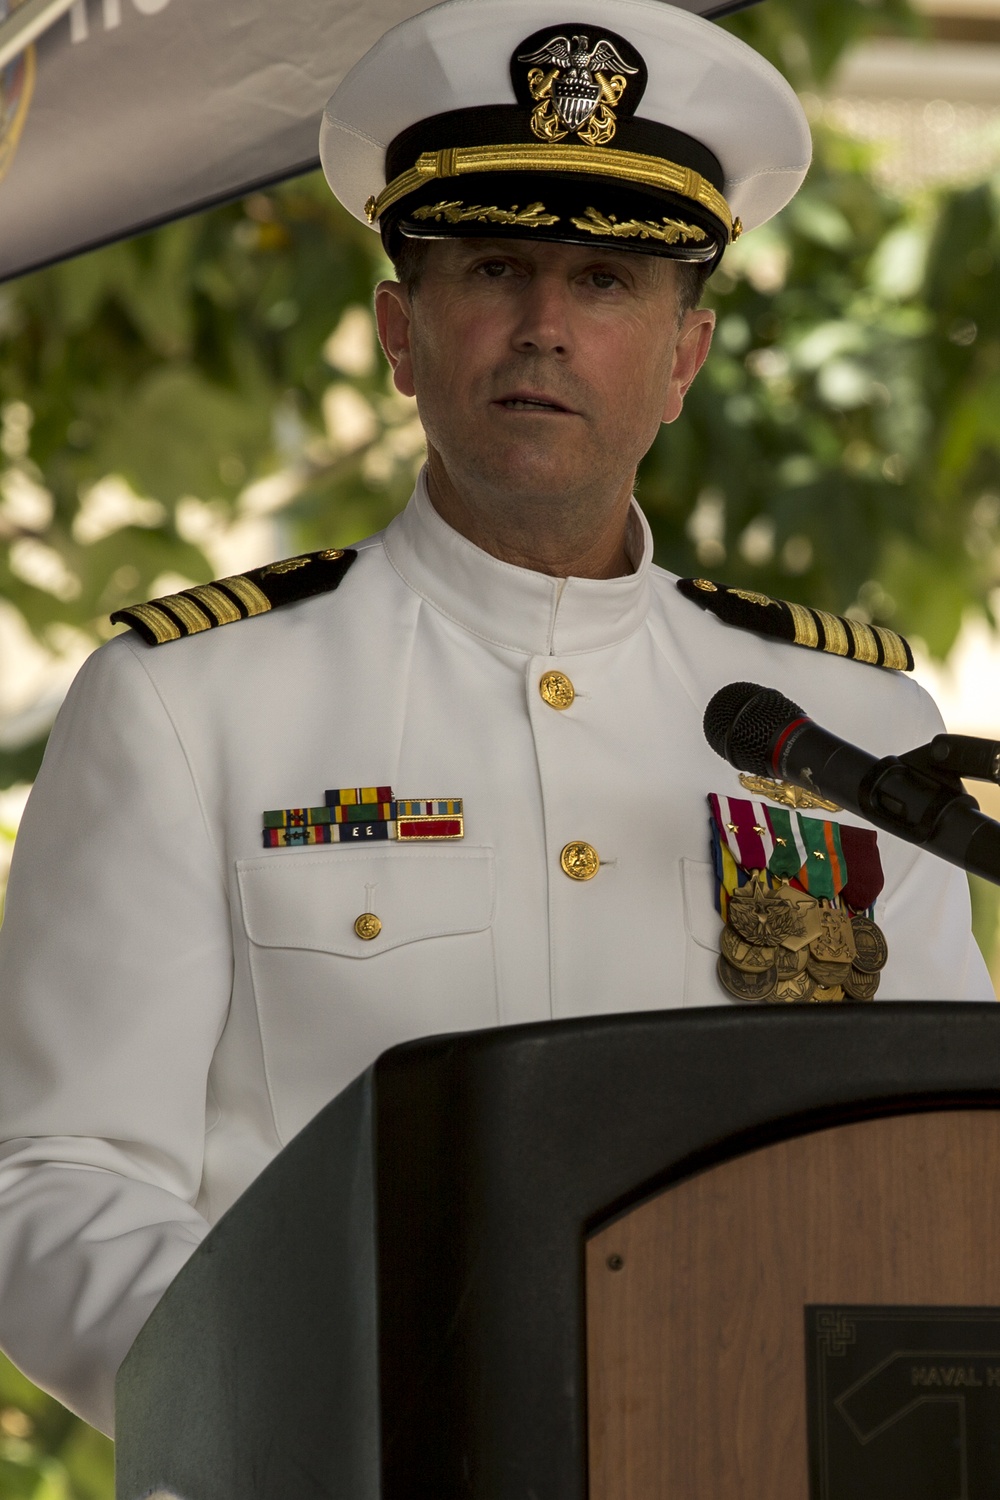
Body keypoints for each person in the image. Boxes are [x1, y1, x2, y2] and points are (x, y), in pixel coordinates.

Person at [0, 0, 992, 1441]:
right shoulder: (189, 704)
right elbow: (57, 1173)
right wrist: (322, 1397)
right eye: (495, 268)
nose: (544, 327)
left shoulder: (850, 728)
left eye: (605, 281)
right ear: (402, 332)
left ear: (685, 357)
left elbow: (949, 1161)